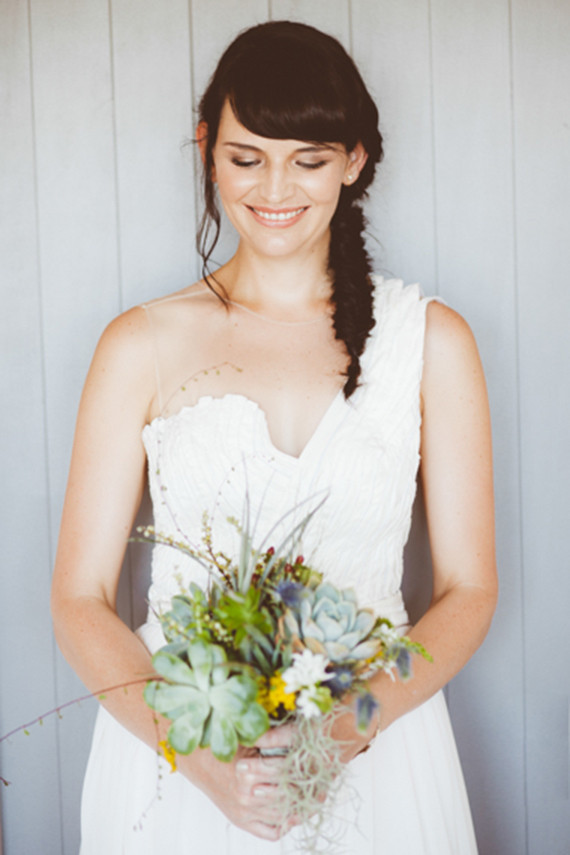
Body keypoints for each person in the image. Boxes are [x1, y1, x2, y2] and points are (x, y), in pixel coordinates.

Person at [51, 20, 497, 855]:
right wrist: (196, 751)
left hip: (379, 753)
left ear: (355, 160)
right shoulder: (138, 343)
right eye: (246, 156)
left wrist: (350, 728)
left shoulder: (431, 340)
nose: (274, 188)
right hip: (176, 763)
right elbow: (78, 598)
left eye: (309, 159)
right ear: (206, 149)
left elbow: (470, 589)